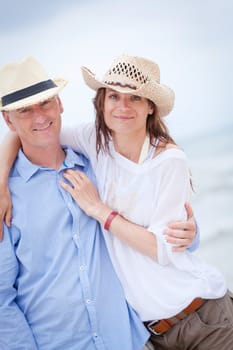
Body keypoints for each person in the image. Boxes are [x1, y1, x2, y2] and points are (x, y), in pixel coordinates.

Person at [57, 54, 233, 349]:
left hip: (204, 318)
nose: (122, 107)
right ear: (102, 101)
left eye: (135, 98)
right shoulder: (93, 140)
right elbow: (34, 133)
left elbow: (161, 249)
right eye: (114, 96)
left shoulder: (168, 160)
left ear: (150, 107)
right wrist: (1, 185)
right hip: (152, 336)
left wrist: (99, 210)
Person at [0, 56, 150, 350]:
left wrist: (187, 231)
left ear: (60, 104)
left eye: (45, 103)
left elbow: (149, 219)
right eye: (25, 110)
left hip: (127, 342)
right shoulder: (5, 199)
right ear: (9, 120)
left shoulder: (98, 163)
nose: (40, 116)